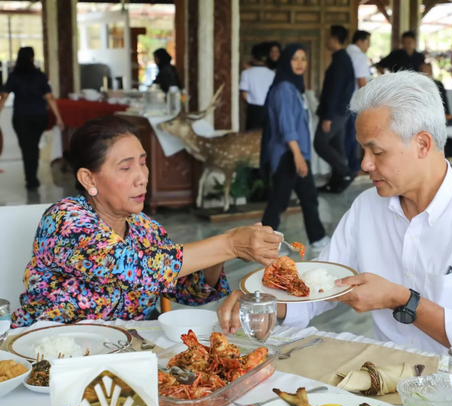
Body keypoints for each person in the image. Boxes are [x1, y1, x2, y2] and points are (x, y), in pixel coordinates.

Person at [219, 71, 452, 355]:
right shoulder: (367, 207)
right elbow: (321, 288)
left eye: (377, 152)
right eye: (363, 150)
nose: (365, 164)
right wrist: (264, 303)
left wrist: (401, 300)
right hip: (383, 378)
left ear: (422, 145)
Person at [11, 116, 282, 328]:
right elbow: (134, 267)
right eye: (126, 168)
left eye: (143, 163)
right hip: (48, 358)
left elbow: (191, 291)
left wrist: (223, 250)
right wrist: (230, 244)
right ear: (89, 179)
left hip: (126, 357)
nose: (141, 177)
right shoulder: (65, 220)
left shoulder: (144, 228)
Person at [261, 44, 329, 252]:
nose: (300, 63)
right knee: (279, 201)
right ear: (286, 61)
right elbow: (286, 126)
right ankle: (264, 244)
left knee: (308, 196)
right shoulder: (284, 88)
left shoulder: (293, 87)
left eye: (303, 59)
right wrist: (298, 156)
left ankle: (317, 238)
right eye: (295, 59)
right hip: (288, 154)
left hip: (297, 152)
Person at [0, 47, 64, 190]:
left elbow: (3, 97)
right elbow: (50, 98)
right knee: (33, 146)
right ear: (32, 58)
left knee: (26, 147)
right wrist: (59, 117)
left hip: (21, 117)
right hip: (39, 116)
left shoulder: (14, 76)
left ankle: (31, 179)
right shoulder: (40, 76)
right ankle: (32, 178)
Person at [314, 26, 356, 193]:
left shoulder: (341, 61)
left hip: (335, 113)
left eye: (327, 36)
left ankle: (345, 173)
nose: (325, 40)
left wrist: (328, 117)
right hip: (340, 111)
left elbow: (335, 91)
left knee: (320, 143)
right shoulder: (342, 58)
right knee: (336, 145)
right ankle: (335, 182)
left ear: (333, 38)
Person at [345, 30, 371, 174]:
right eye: (367, 42)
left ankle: (346, 168)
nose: (368, 46)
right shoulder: (359, 56)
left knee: (345, 137)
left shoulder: (346, 52)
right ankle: (353, 169)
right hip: (354, 102)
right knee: (352, 137)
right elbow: (362, 81)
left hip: (343, 101)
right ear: (360, 41)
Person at [239, 44, 275, 130]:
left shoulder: (246, 73)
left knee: (251, 138)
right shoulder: (273, 74)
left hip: (253, 110)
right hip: (269, 109)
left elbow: (244, 95)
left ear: (252, 57)